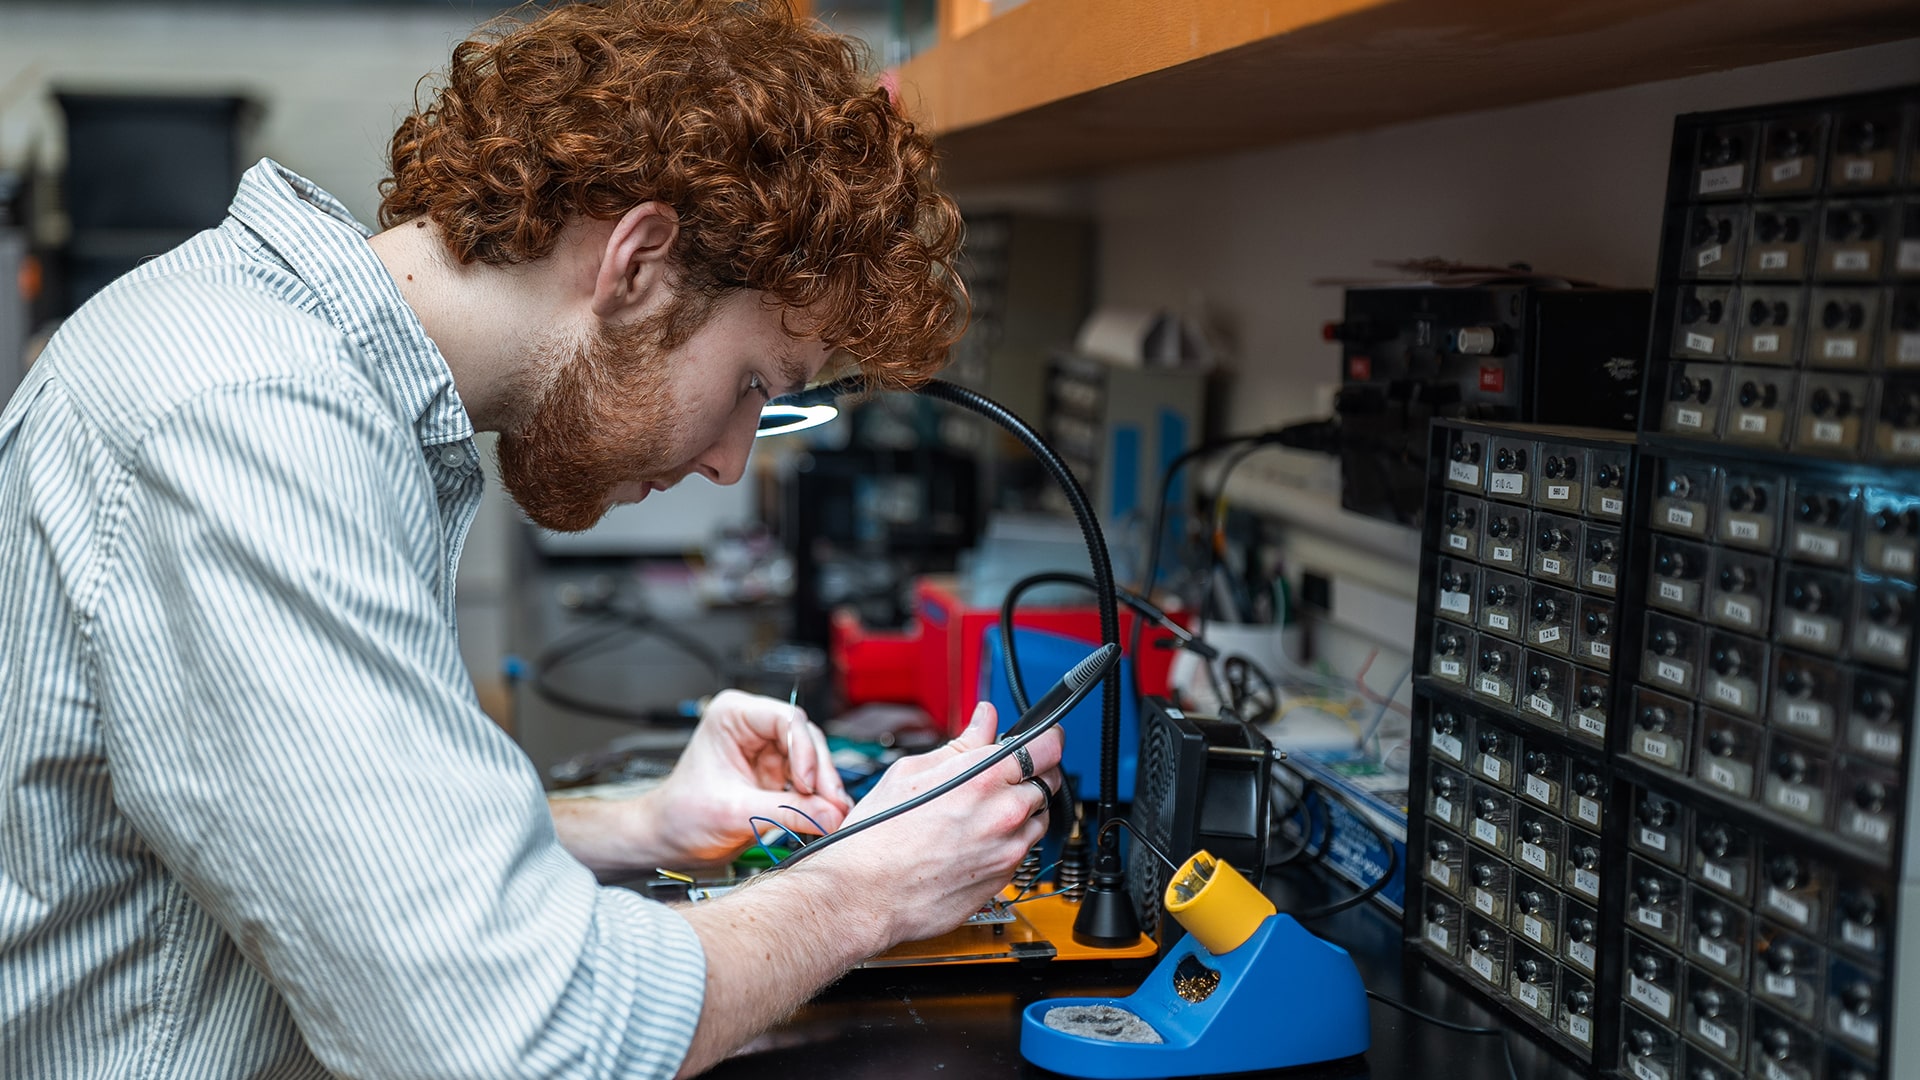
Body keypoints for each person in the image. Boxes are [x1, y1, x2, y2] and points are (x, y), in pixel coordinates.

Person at [0, 2, 1065, 1077]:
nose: (732, 462)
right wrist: (865, 887)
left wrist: (637, 824)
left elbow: (320, 841)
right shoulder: (250, 419)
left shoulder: (282, 363)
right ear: (638, 264)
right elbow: (510, 1037)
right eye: (753, 386)